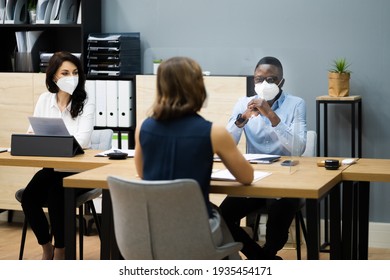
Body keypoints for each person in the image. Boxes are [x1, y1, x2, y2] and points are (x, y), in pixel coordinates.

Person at [134, 56, 254, 255]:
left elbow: (142, 173)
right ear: (198, 88)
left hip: (152, 231)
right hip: (195, 233)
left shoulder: (142, 128)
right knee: (219, 216)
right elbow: (247, 177)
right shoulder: (214, 133)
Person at [219, 56, 307, 260]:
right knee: (223, 217)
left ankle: (264, 258)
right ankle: (262, 260)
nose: (264, 84)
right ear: (253, 80)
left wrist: (272, 116)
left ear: (281, 83)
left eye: (271, 80)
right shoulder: (243, 103)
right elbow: (227, 142)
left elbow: (298, 148)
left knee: (276, 227)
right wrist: (243, 118)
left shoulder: (296, 104)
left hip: (287, 178)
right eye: (259, 79)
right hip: (254, 178)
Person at [21, 51, 95, 260]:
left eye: (75, 72)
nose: (71, 77)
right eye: (65, 73)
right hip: (52, 168)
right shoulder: (45, 99)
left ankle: (61, 250)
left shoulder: (85, 101)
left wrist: (50, 143)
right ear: (53, 75)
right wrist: (55, 143)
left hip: (79, 171)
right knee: (29, 197)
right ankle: (47, 247)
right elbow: (31, 132)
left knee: (56, 194)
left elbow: (83, 141)